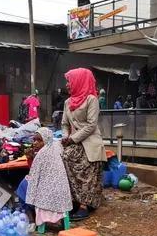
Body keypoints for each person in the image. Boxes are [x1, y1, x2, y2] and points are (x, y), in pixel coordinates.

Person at [61, 68, 106, 221]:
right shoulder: (68, 102)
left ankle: (84, 206)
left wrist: (73, 139)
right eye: (67, 81)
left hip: (90, 143)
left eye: (69, 81)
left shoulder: (91, 100)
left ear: (79, 81)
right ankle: (73, 200)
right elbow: (64, 124)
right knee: (64, 158)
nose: (67, 84)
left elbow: (91, 125)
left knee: (84, 166)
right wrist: (65, 136)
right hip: (74, 141)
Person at [25, 128, 73, 226]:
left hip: (49, 196)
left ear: (46, 140)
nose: (35, 143)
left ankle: (31, 218)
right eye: (34, 140)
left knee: (23, 186)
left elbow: (34, 176)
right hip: (63, 193)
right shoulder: (55, 148)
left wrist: (30, 158)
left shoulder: (42, 154)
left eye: (39, 140)